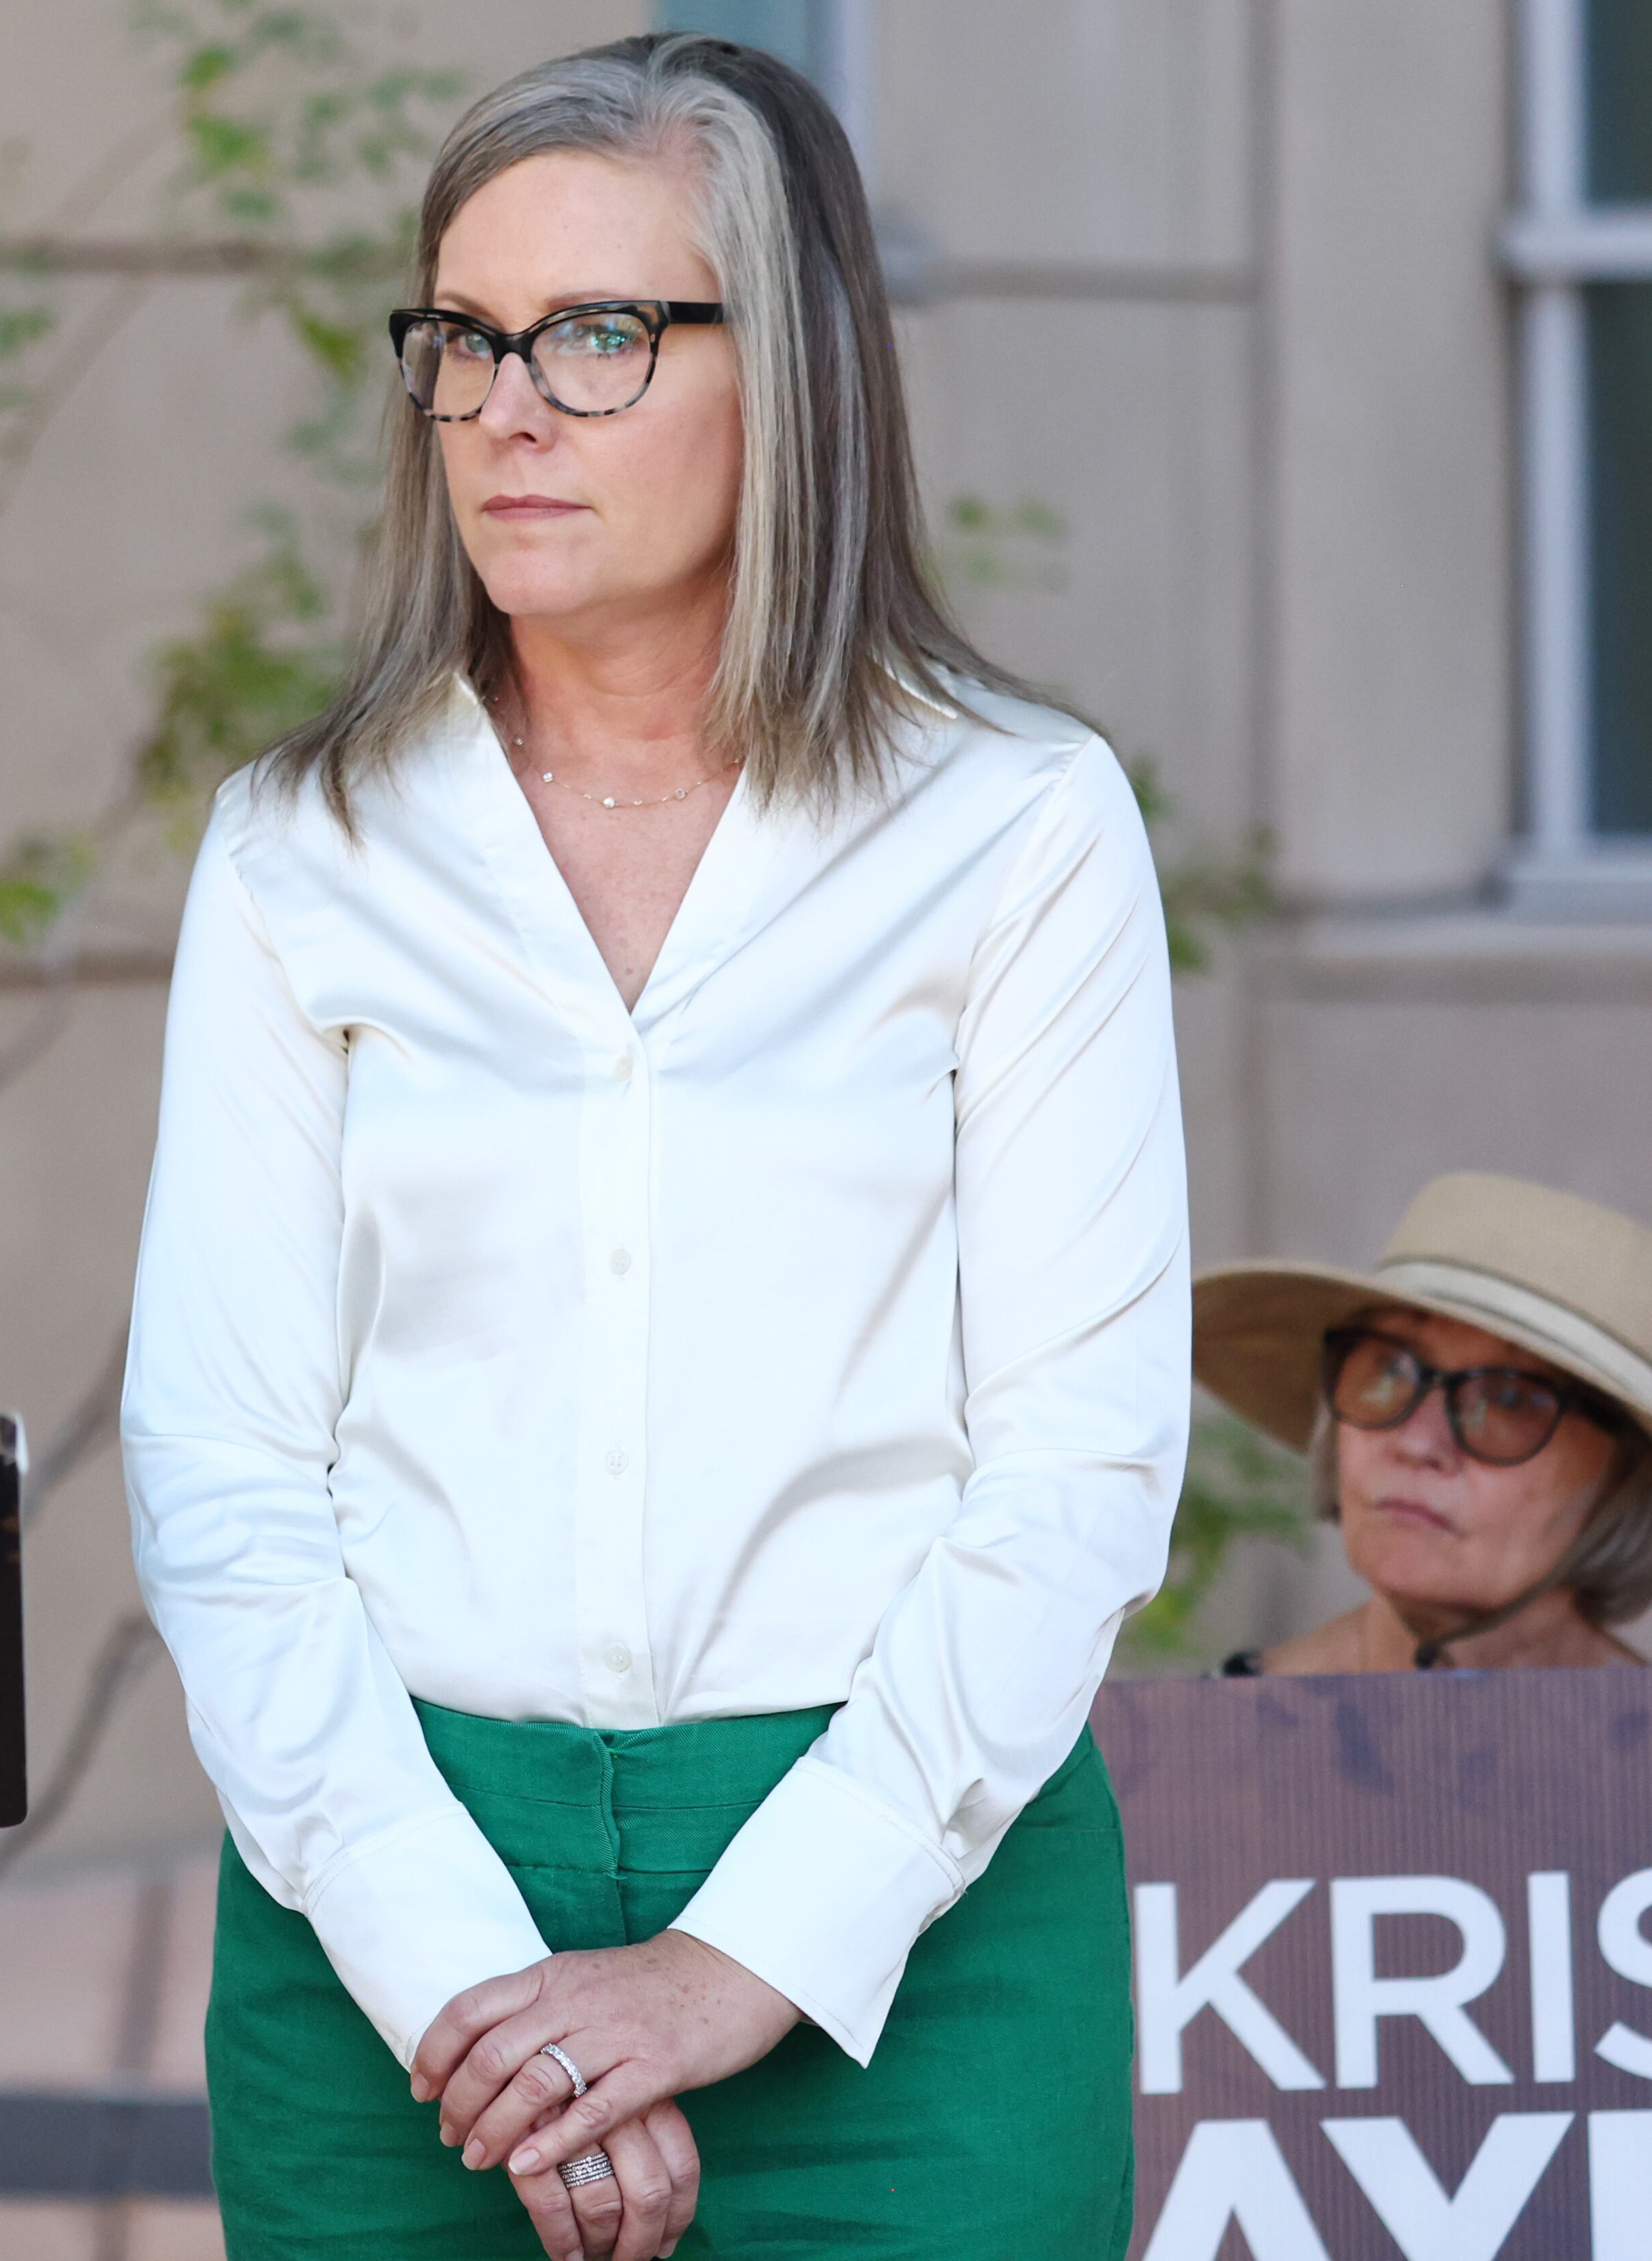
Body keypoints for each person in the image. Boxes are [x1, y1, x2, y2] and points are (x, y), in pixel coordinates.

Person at [120, 33, 1187, 2261]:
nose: (507, 406)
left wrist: (731, 1965)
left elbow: (1077, 1464)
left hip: (915, 1930)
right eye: (465, 337)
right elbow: (224, 1466)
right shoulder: (304, 848)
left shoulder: (1013, 826)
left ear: (783, 371)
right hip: (393, 1907)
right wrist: (466, 1984)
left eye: (599, 335)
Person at [1197, 1172, 1652, 1676]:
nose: (1416, 1442)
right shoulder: (1197, 1737)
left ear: (1624, 1480)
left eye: (1507, 1399)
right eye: (1390, 1369)